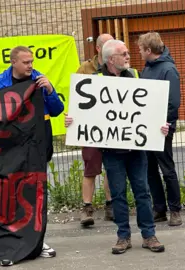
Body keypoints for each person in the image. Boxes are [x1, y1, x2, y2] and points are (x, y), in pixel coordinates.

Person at [65, 39, 168, 255]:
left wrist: (160, 126)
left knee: (143, 192)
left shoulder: (137, 77)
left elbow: (150, 110)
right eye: (124, 53)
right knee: (118, 194)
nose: (129, 56)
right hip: (112, 152)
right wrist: (73, 122)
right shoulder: (95, 81)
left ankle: (149, 235)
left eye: (129, 53)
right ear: (111, 59)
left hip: (137, 150)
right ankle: (123, 236)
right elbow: (84, 114)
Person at [0, 46, 64, 266]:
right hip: (10, 150)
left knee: (36, 194)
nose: (31, 65)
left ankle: (38, 241)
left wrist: (49, 90)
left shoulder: (40, 81)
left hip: (37, 148)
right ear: (13, 63)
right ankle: (9, 245)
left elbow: (57, 109)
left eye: (32, 61)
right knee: (9, 196)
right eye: (26, 62)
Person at [137, 32, 182, 226]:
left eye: (140, 49)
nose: (138, 52)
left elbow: (173, 102)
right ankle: (159, 208)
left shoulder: (168, 70)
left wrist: (166, 123)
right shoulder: (147, 69)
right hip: (146, 126)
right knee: (150, 170)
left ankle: (175, 209)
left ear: (148, 50)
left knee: (167, 168)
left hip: (162, 128)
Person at [76, 33, 115, 226]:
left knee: (112, 167)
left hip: (113, 127)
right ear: (99, 48)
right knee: (90, 169)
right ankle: (87, 208)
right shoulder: (85, 69)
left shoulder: (116, 68)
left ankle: (111, 205)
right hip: (91, 128)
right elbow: (77, 98)